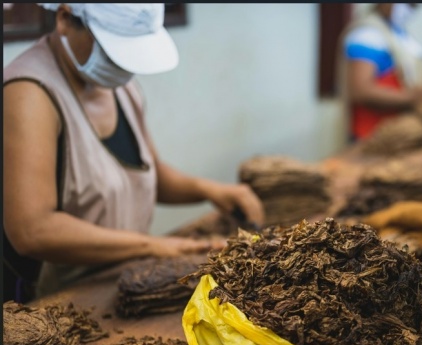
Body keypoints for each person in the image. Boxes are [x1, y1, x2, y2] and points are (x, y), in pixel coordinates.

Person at [3, 3, 265, 303]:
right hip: (53, 298)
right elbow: (32, 230)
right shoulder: (27, 94)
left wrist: (209, 190)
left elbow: (145, 173)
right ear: (64, 19)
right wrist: (151, 246)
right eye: (112, 49)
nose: (123, 67)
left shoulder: (118, 85)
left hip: (117, 280)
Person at [338, 3, 422, 141]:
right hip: (373, 134)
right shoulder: (368, 34)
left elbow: (410, 74)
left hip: (402, 130)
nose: (411, 9)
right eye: (408, 4)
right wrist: (413, 97)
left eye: (414, 6)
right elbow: (361, 90)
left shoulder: (399, 33)